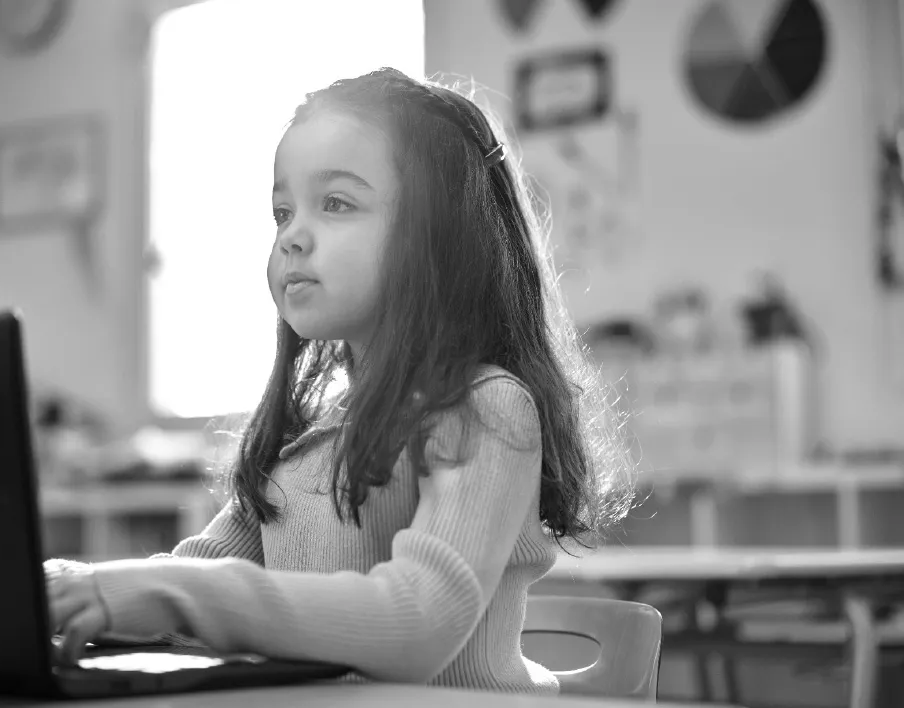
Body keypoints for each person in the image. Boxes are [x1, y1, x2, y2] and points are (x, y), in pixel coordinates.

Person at [46, 67, 634, 695]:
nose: (292, 236)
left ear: (435, 236)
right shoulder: (307, 444)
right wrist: (69, 587)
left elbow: (414, 626)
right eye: (281, 212)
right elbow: (188, 590)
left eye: (337, 204)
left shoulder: (488, 410)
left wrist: (166, 594)